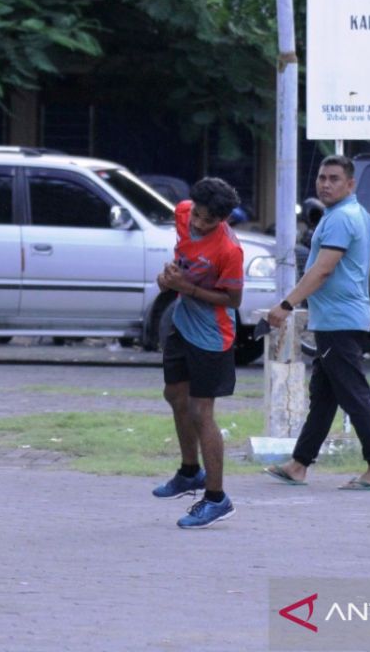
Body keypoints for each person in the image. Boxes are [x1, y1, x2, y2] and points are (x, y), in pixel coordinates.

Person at [264, 155, 370, 490]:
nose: (325, 184)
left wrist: (286, 305)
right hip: (342, 319)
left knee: (354, 395)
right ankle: (298, 465)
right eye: (322, 178)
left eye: (334, 179)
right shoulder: (362, 216)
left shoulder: (342, 219)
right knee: (325, 396)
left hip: (339, 322)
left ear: (350, 184)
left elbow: (323, 269)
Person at [151, 177, 244, 529]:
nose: (200, 223)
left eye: (209, 220)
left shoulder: (229, 250)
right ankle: (190, 472)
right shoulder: (183, 213)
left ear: (222, 220)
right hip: (182, 319)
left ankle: (217, 498)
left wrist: (184, 286)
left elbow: (233, 301)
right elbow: (178, 263)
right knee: (174, 395)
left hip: (212, 334)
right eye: (198, 216)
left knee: (201, 411)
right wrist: (168, 280)